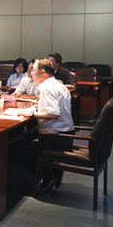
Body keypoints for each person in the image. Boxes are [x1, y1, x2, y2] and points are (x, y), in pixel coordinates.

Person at [30, 58, 74, 188]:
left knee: (21, 147)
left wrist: (32, 114)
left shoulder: (47, 88)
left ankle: (36, 181)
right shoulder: (57, 84)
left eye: (33, 70)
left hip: (56, 138)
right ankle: (52, 174)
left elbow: (54, 114)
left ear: (42, 72)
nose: (31, 72)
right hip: (66, 134)